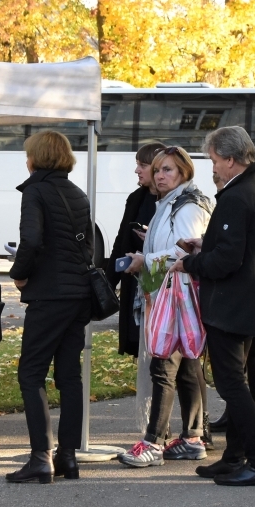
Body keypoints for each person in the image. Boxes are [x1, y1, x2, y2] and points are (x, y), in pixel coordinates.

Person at [174, 126, 255, 486]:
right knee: (238, 383)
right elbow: (244, 247)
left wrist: (190, 262)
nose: (213, 168)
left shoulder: (236, 196)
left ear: (232, 160)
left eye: (216, 161)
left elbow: (227, 260)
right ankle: (235, 456)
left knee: (232, 384)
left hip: (233, 305)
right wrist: (206, 245)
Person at [5, 131, 95, 483]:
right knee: (69, 374)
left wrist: (19, 274)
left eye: (27, 153)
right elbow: (86, 246)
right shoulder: (77, 193)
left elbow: (31, 240)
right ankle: (68, 455)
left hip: (50, 294)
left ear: (36, 157)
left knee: (31, 372)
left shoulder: (35, 191)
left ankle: (41, 456)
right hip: (78, 295)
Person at [118, 146, 214, 466]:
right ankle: (191, 438)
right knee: (186, 366)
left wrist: (147, 261)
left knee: (163, 365)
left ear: (184, 172)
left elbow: (185, 252)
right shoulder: (172, 202)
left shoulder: (186, 205)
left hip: (179, 293)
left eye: (168, 170)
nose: (160, 176)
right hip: (172, 292)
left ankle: (153, 443)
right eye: (157, 170)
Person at [108, 142, 167, 357]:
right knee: (142, 349)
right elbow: (121, 242)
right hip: (136, 287)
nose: (137, 170)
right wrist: (108, 283)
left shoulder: (174, 201)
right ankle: (147, 392)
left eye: (142, 165)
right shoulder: (136, 198)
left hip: (163, 289)